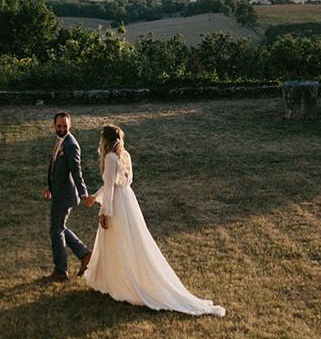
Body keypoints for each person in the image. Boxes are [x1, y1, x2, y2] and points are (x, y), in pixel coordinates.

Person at [84, 124, 225, 316]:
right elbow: (123, 183)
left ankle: (121, 282)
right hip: (128, 201)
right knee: (130, 242)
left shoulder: (110, 158)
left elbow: (110, 188)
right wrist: (96, 196)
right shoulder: (125, 156)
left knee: (119, 243)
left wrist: (104, 212)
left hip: (117, 204)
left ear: (105, 140)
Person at [43, 112, 94, 282]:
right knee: (59, 228)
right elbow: (54, 165)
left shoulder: (71, 145)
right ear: (54, 125)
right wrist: (49, 186)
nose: (62, 129)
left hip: (65, 196)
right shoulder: (59, 140)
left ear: (70, 126)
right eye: (59, 126)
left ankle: (61, 270)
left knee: (56, 230)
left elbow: (76, 172)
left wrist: (84, 193)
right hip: (58, 192)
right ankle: (85, 254)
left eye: (65, 126)